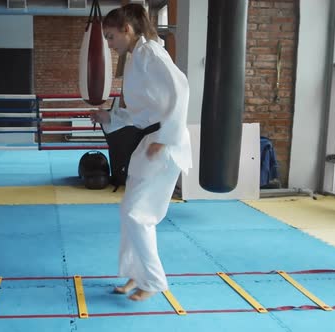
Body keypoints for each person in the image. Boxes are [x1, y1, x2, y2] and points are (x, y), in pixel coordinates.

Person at [90, 3, 192, 301]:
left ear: (127, 30)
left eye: (110, 36)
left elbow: (181, 90)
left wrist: (168, 136)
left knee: (138, 214)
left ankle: (153, 280)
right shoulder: (137, 57)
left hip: (164, 143)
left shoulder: (150, 53)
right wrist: (109, 118)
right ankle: (136, 272)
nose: (109, 44)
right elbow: (141, 112)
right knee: (129, 211)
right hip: (150, 142)